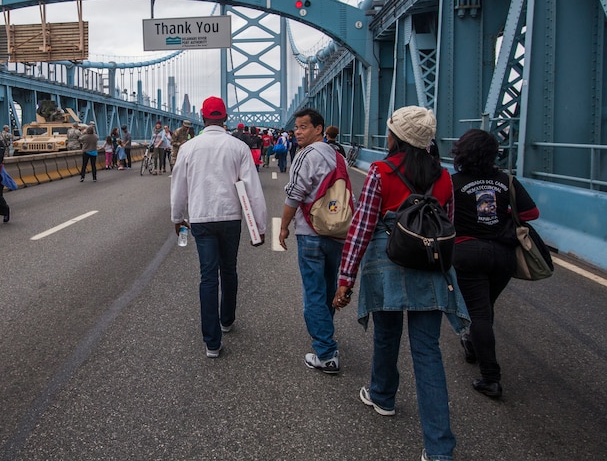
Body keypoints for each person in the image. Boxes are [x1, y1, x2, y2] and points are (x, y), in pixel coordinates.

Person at [334, 106, 468, 461]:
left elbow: (361, 228)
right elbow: (448, 226)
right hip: (429, 267)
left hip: (388, 264)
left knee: (386, 333)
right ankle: (440, 450)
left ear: (395, 137)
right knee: (427, 352)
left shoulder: (380, 171)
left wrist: (345, 278)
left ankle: (382, 395)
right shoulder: (444, 177)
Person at [170, 96, 267, 359]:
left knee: (208, 276)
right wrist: (259, 226)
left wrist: (178, 217)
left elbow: (178, 187)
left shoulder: (189, 148)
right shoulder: (238, 147)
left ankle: (212, 342)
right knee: (229, 269)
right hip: (230, 217)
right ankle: (227, 320)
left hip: (201, 218)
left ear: (203, 118)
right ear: (225, 118)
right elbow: (253, 189)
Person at [451, 129, 539, 399]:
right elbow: (531, 213)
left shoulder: (454, 182)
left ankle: (490, 377)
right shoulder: (505, 181)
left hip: (466, 250)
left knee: (478, 312)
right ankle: (474, 346)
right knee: (486, 307)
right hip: (503, 252)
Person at [279, 109, 348, 374]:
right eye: (296, 127)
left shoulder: (304, 155)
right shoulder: (337, 155)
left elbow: (295, 195)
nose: (297, 131)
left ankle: (326, 352)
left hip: (311, 233)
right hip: (337, 231)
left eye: (304, 127)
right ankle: (326, 337)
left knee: (313, 293)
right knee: (328, 288)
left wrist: (284, 227)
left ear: (319, 129)